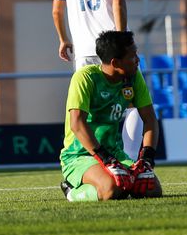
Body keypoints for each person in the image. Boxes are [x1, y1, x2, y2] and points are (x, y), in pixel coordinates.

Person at [51, 0, 143, 160]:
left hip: (82, 53)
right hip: (112, 51)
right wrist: (122, 41)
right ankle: (131, 161)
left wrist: (63, 38)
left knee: (84, 111)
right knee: (135, 106)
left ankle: (90, 163)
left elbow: (57, 9)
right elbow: (117, 3)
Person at [59, 30, 162, 202]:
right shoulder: (85, 78)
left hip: (115, 154)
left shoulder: (134, 77)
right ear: (115, 62)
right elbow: (77, 124)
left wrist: (146, 159)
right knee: (112, 190)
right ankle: (71, 191)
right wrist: (105, 160)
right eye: (132, 56)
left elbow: (150, 119)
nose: (137, 60)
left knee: (151, 189)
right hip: (80, 155)